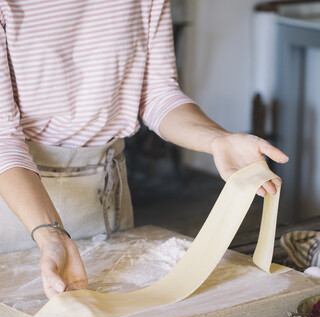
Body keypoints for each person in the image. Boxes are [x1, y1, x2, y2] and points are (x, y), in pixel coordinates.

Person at [0, 0, 288, 299]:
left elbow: (157, 94)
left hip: (107, 192)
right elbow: (2, 137)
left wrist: (217, 139)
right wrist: (50, 235)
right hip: (22, 205)